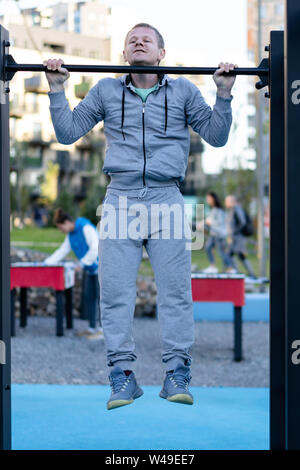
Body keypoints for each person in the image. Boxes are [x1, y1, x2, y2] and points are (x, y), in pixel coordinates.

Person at [43, 23, 237, 409]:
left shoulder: (183, 90)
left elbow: (216, 136)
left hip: (167, 197)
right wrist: (55, 89)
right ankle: (121, 376)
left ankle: (177, 372)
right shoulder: (106, 90)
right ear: (124, 55)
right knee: (115, 291)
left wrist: (224, 95)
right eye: (132, 39)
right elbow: (67, 134)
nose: (139, 41)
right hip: (121, 198)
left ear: (162, 53)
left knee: (176, 291)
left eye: (147, 38)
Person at [44, 208, 103, 340]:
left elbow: (96, 247)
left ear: (66, 222)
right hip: (90, 270)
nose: (61, 230)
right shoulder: (70, 235)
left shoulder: (85, 227)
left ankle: (103, 330)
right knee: (89, 297)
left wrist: (81, 264)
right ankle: (91, 328)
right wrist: (46, 263)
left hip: (101, 268)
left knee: (101, 299)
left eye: (60, 227)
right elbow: (62, 251)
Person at [201, 192, 235, 274]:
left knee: (221, 252)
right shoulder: (213, 210)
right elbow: (208, 221)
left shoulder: (218, 210)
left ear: (213, 199)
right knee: (208, 247)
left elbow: (219, 222)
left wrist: (208, 222)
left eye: (208, 198)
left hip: (219, 235)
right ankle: (213, 267)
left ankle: (231, 268)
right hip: (214, 234)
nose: (207, 200)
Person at [224, 195, 256, 278]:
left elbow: (242, 222)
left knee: (230, 254)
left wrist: (234, 232)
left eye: (227, 201)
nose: (225, 203)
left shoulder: (236, 209)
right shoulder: (232, 210)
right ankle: (241, 272)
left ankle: (239, 273)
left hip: (238, 237)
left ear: (231, 201)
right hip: (235, 237)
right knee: (236, 255)